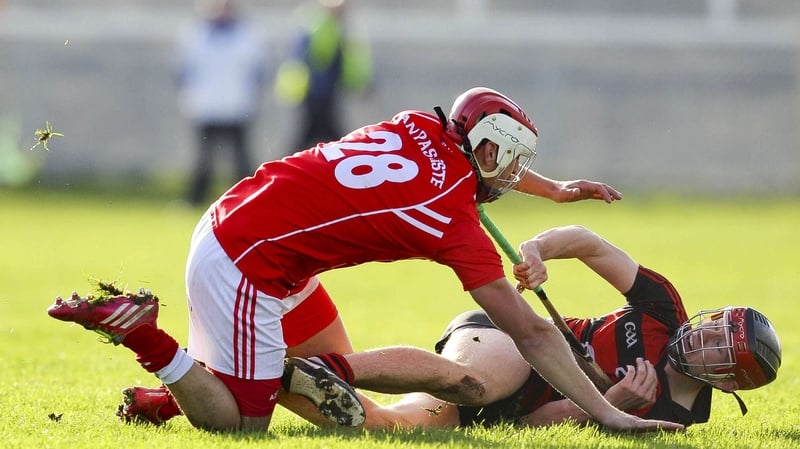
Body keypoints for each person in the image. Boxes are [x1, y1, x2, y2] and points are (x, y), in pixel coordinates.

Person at [47, 86, 682, 434]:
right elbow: (533, 333)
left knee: (334, 389)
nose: (516, 176)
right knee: (241, 424)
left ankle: (173, 397)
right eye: (511, 163)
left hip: (250, 224)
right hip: (247, 260)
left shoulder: (421, 124)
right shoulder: (453, 221)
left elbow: (476, 166)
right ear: (487, 151)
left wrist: (554, 189)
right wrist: (608, 414)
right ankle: (146, 336)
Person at [112, 225, 781, 430]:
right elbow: (591, 243)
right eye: (713, 325)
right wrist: (540, 251)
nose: (701, 336)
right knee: (470, 380)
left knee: (385, 425)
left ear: (726, 380)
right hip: (511, 343)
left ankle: (176, 394)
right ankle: (321, 370)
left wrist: (606, 407)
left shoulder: (673, 416)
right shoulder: (663, 307)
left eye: (717, 348)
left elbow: (540, 422)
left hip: (517, 405)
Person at [175, 0, 268, 206]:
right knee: (204, 157)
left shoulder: (247, 34)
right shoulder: (195, 34)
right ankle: (196, 198)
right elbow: (183, 70)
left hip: (237, 103)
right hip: (205, 104)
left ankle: (248, 198)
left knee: (241, 157)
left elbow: (257, 71)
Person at [273, 0, 373, 153]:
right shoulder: (323, 28)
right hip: (318, 92)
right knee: (328, 136)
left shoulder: (328, 27)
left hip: (323, 92)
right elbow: (319, 63)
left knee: (314, 135)